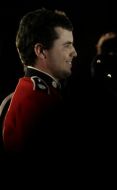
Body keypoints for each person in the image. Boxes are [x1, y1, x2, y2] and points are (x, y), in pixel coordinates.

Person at [2, 8, 77, 157]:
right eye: (67, 45)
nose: (74, 52)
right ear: (41, 51)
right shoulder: (38, 100)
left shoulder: (26, 91)